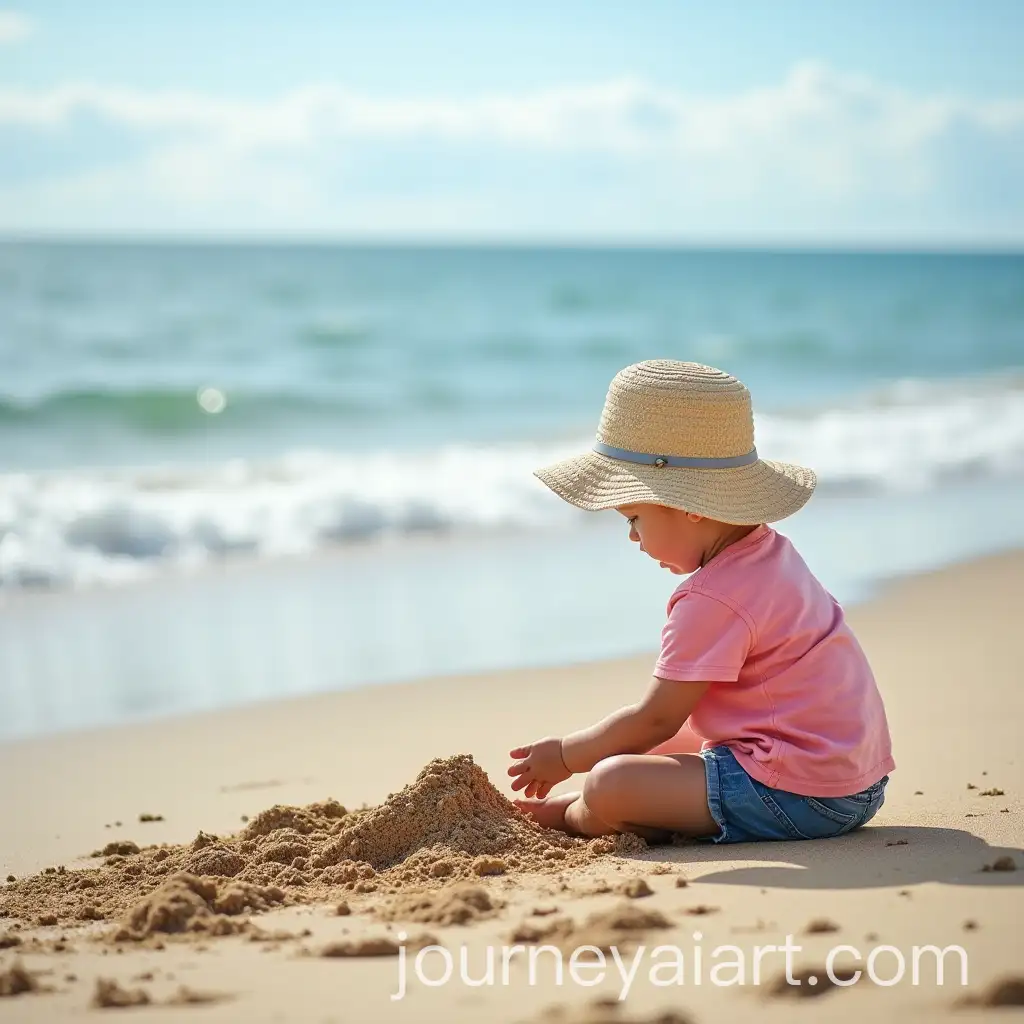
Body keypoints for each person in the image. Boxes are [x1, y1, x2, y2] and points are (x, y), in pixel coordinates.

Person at [508, 359, 894, 844]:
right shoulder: (770, 553)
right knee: (662, 746)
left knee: (612, 780)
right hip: (858, 780)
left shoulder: (712, 598)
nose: (631, 536)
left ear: (689, 506)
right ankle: (597, 806)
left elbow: (654, 717)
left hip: (803, 794)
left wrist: (564, 755)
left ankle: (573, 819)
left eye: (633, 518)